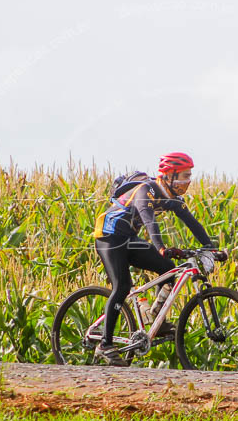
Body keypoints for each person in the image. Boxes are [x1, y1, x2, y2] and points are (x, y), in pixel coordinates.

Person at [92, 151, 214, 366]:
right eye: (184, 176)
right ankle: (105, 344)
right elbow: (150, 222)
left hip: (128, 238)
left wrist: (211, 248)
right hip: (109, 237)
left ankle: (156, 317)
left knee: (167, 268)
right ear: (169, 175)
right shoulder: (146, 190)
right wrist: (160, 247)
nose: (188, 181)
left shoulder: (173, 199)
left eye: (190, 176)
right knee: (122, 287)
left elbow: (192, 222)